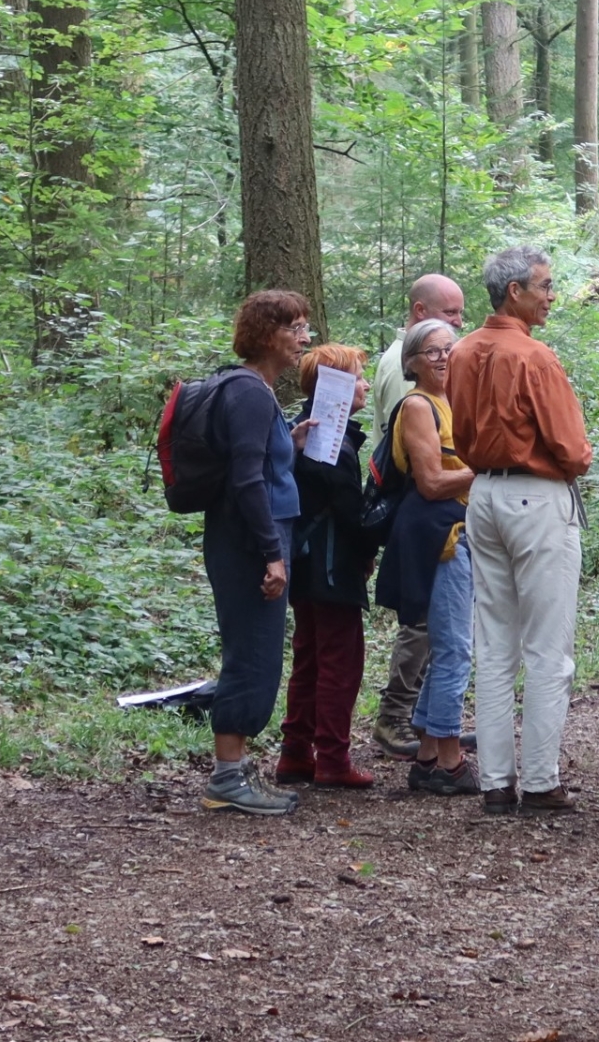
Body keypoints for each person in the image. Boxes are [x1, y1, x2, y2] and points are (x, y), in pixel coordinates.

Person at [447, 246, 593, 814]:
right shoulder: (535, 357)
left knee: (495, 643)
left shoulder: (461, 352)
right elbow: (570, 448)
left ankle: (494, 783)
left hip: (482, 494)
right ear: (515, 291)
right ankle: (538, 781)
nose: (551, 295)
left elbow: (460, 428)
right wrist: (581, 455)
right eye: (545, 286)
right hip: (536, 498)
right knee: (548, 648)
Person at [200, 290, 319, 815]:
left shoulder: (254, 390)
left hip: (255, 535)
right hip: (252, 541)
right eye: (295, 328)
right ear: (268, 335)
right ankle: (227, 777)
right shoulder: (248, 391)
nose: (304, 339)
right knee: (251, 653)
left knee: (259, 651)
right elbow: (247, 482)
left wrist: (286, 444)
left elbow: (254, 467)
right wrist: (272, 554)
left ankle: (238, 770)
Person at [373, 319, 479, 795]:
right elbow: (431, 482)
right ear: (411, 362)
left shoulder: (452, 403)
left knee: (449, 646)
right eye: (431, 352)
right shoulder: (417, 405)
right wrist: (489, 468)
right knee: (455, 648)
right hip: (436, 537)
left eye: (448, 350)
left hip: (458, 531)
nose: (442, 358)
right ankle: (450, 760)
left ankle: (428, 754)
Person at [277, 343, 377, 791]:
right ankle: (332, 759)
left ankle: (296, 754)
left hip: (305, 565)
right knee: (340, 661)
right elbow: (349, 513)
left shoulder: (302, 431)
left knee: (310, 658)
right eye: (357, 377)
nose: (365, 384)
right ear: (335, 384)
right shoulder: (328, 439)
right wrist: (374, 538)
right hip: (330, 569)